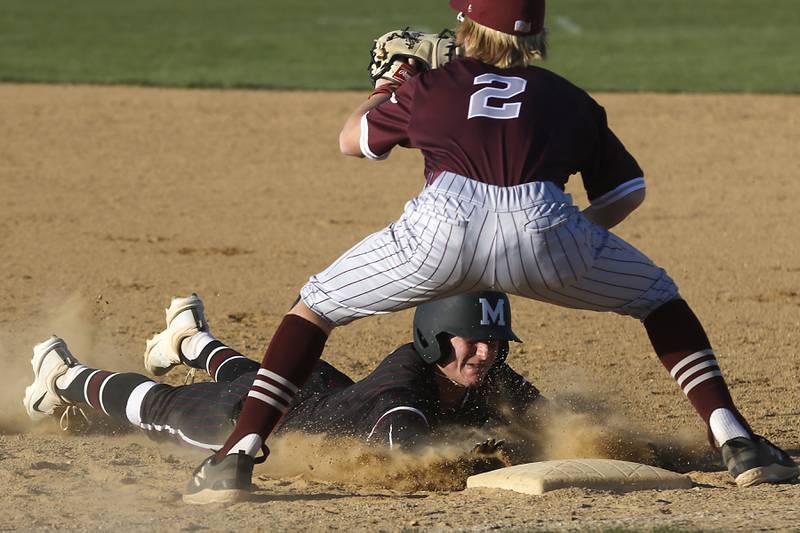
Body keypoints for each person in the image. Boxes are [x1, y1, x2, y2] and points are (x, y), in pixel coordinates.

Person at [169, 0, 797, 501]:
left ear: (467, 26)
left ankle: (237, 455)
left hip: (441, 228)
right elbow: (628, 189)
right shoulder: (567, 96)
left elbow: (349, 141)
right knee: (659, 301)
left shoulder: (434, 86)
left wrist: (392, 88)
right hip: (547, 227)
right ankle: (736, 442)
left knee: (313, 311)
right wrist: (574, 238)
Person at [23, 292, 542, 501]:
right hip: (253, 422)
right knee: (162, 408)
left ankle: (187, 340)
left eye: (494, 342)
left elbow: (546, 415)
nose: (484, 352)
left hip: (319, 389)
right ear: (435, 338)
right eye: (472, 339)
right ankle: (63, 376)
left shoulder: (485, 372)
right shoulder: (400, 389)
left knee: (267, 375)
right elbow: (408, 449)